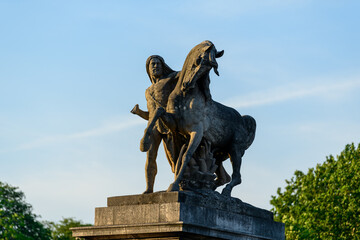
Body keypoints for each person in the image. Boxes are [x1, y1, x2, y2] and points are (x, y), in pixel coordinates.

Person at [131, 55, 185, 193]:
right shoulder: (148, 91)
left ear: (163, 66)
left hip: (168, 123)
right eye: (152, 64)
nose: (155, 66)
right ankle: (149, 188)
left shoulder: (170, 79)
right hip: (153, 126)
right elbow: (151, 115)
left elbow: (185, 72)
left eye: (158, 64)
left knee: (174, 158)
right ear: (148, 69)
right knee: (150, 157)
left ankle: (179, 183)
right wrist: (139, 112)